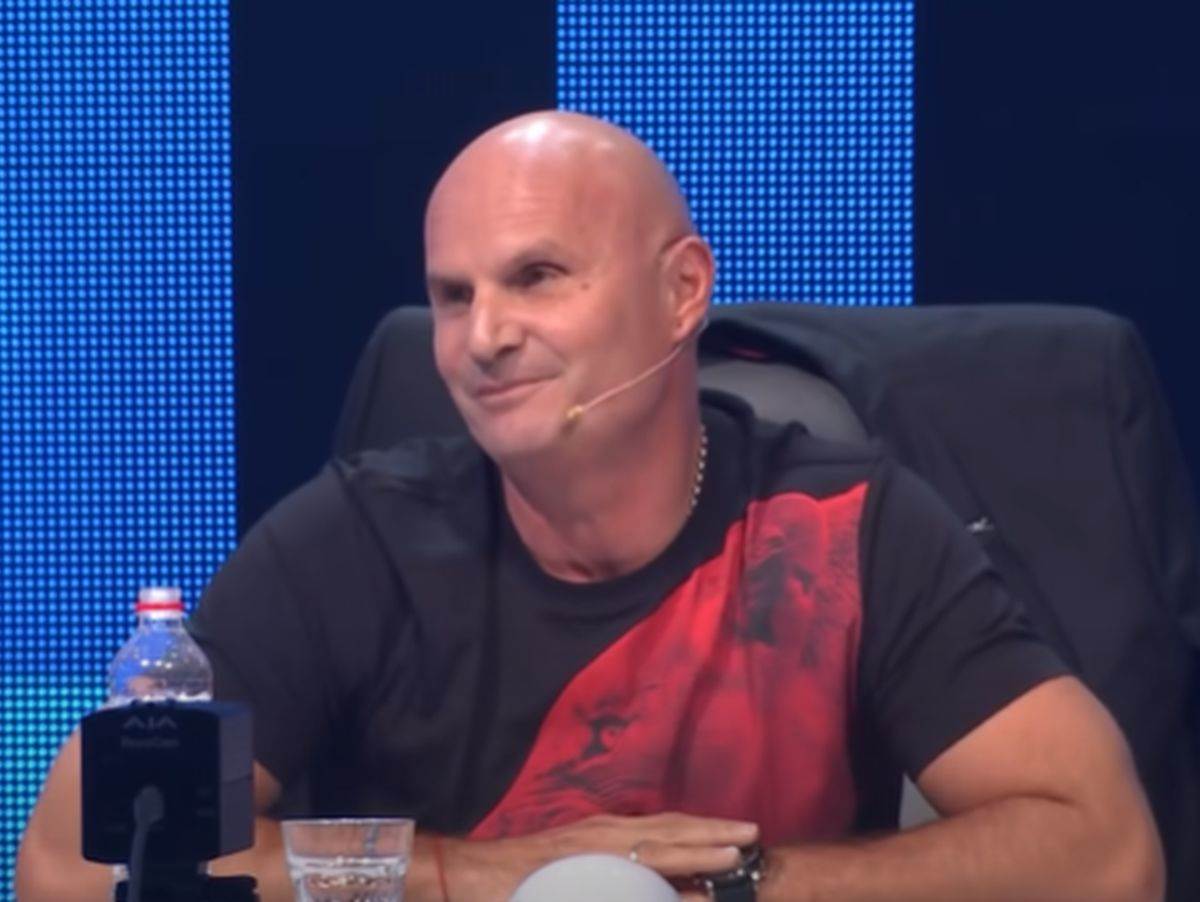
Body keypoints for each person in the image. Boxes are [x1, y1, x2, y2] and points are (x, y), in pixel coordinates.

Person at [17, 111, 1164, 902]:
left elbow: (1108, 850)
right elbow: (71, 863)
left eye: (536, 277)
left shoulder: (842, 528)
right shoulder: (354, 537)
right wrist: (487, 874)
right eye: (452, 294)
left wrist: (727, 885)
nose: (482, 336)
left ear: (682, 292)